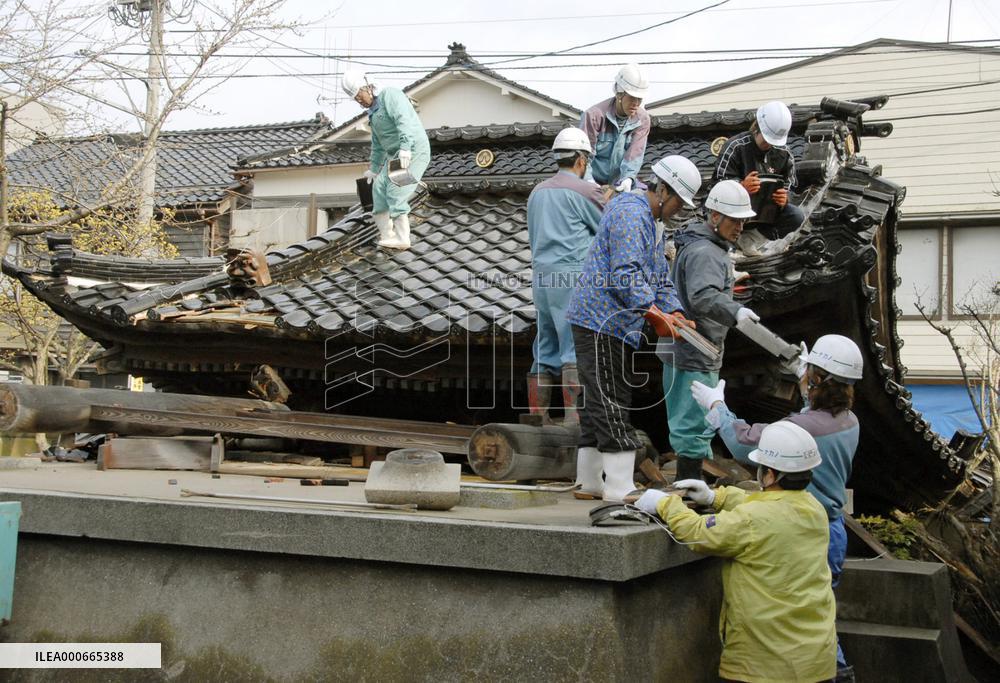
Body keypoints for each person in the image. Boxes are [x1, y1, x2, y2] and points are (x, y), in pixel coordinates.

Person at [690, 333, 864, 679]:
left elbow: (746, 444)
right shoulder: (849, 421)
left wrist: (717, 408)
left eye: (810, 371)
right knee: (817, 614)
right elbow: (812, 413)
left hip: (795, 529)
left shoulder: (802, 427)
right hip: (830, 528)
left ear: (817, 379)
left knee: (791, 618)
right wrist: (807, 382)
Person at [635, 421, 837, 683]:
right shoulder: (814, 508)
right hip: (816, 659)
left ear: (770, 475)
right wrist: (715, 497)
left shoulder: (753, 520)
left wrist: (665, 503)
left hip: (765, 665)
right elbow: (768, 509)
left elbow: (698, 533)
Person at [565, 155, 702, 501]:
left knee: (597, 398)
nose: (678, 211)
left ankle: (590, 481)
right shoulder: (631, 213)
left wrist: (674, 311)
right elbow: (625, 274)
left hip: (609, 321)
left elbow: (657, 276)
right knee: (610, 398)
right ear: (664, 189)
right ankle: (619, 486)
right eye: (678, 203)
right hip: (601, 319)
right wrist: (655, 313)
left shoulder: (651, 221)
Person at [658, 179, 759, 482]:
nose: (740, 227)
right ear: (715, 216)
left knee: (688, 421)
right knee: (694, 424)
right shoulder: (707, 252)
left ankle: (690, 489)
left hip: (682, 348)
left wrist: (728, 279)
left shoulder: (699, 244)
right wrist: (735, 309)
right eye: (734, 220)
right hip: (696, 350)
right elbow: (702, 296)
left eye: (743, 220)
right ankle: (690, 494)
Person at [526, 128, 606, 425]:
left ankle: (539, 420)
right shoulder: (585, 191)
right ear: (582, 160)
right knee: (573, 345)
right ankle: (574, 421)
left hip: (541, 277)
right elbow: (608, 229)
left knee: (544, 346)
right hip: (571, 276)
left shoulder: (537, 192)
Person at [341, 70, 431, 250]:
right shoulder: (373, 114)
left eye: (360, 95)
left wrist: (406, 147)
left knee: (395, 188)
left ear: (367, 86)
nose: (359, 100)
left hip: (413, 150)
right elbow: (378, 143)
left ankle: (403, 237)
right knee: (378, 189)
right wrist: (374, 169)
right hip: (394, 156)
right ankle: (387, 235)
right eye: (356, 99)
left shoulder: (390, 95)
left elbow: (403, 120)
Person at [714, 100, 804, 239]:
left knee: (796, 215)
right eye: (767, 139)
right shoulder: (735, 147)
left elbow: (791, 186)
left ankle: (755, 239)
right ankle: (731, 237)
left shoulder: (784, 153)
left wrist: (785, 198)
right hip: (735, 209)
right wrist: (740, 187)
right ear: (758, 128)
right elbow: (718, 184)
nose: (770, 144)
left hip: (766, 212)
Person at [579, 63, 650, 192]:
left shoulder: (642, 120)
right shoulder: (594, 116)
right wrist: (590, 183)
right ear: (619, 94)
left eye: (639, 98)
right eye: (632, 97)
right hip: (590, 182)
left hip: (620, 184)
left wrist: (628, 179)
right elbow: (583, 157)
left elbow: (634, 155)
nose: (636, 103)